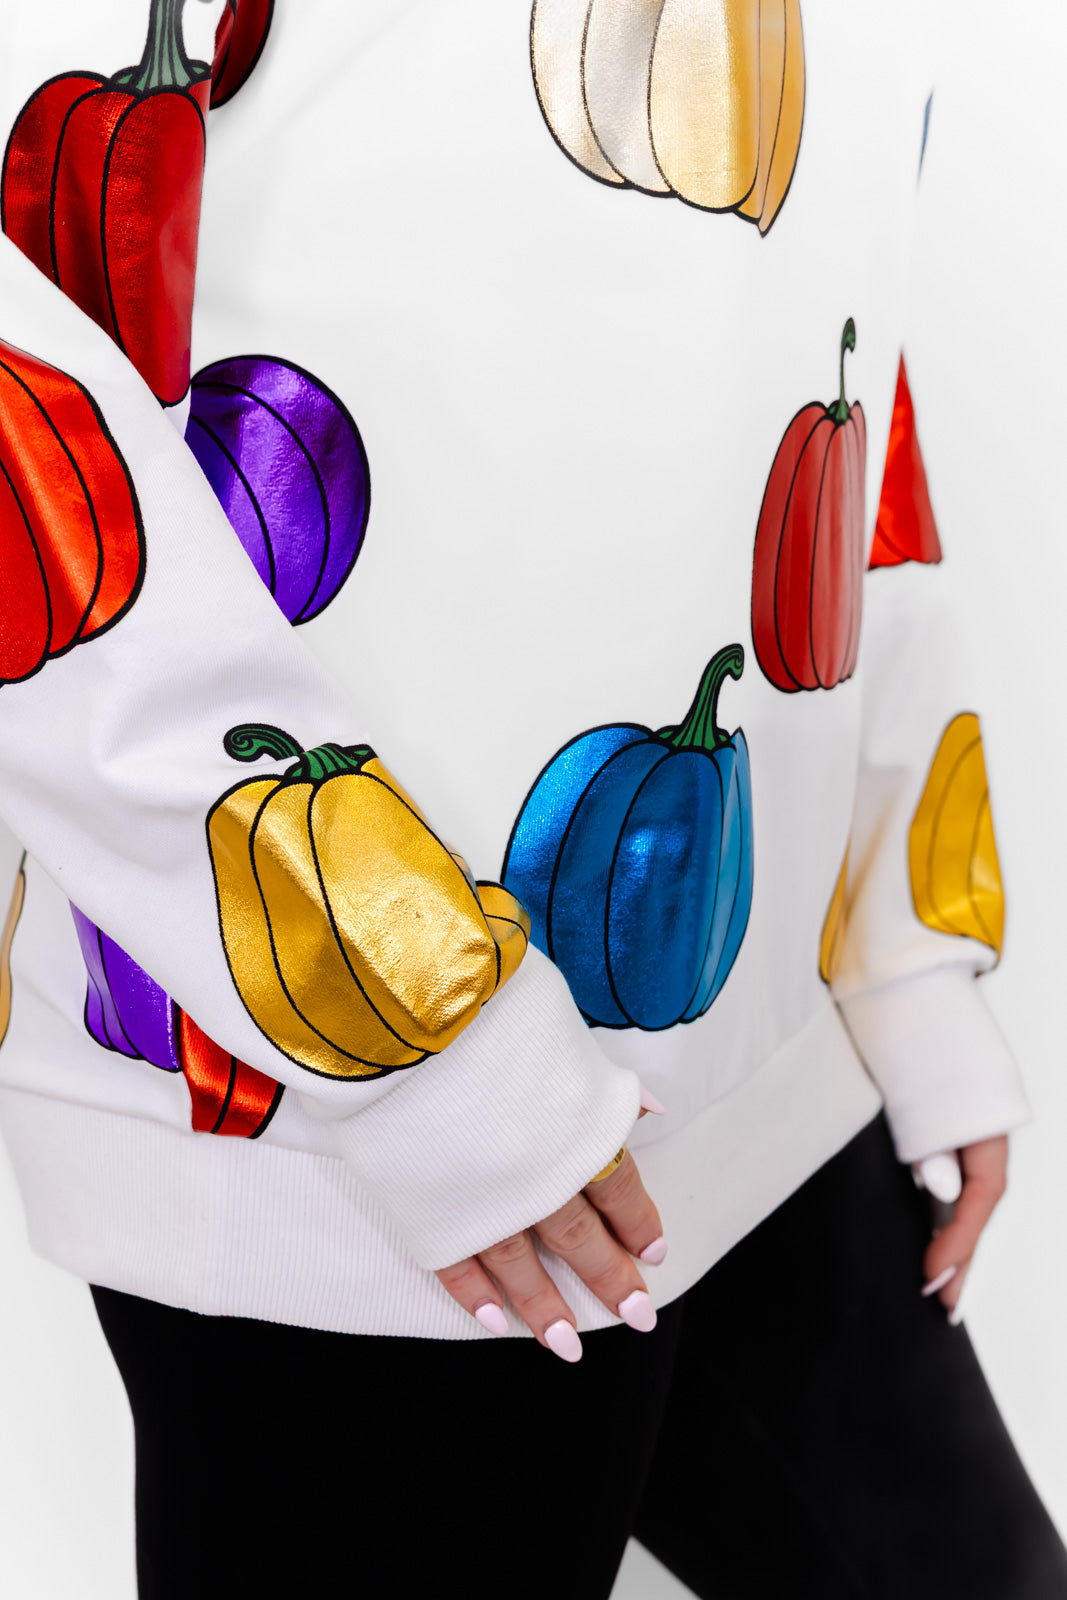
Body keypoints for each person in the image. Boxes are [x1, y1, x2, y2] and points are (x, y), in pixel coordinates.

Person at [0, 2, 1064, 1595]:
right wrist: (427, 1050)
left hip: (755, 1045)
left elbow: (826, 305)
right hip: (351, 1147)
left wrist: (902, 939)